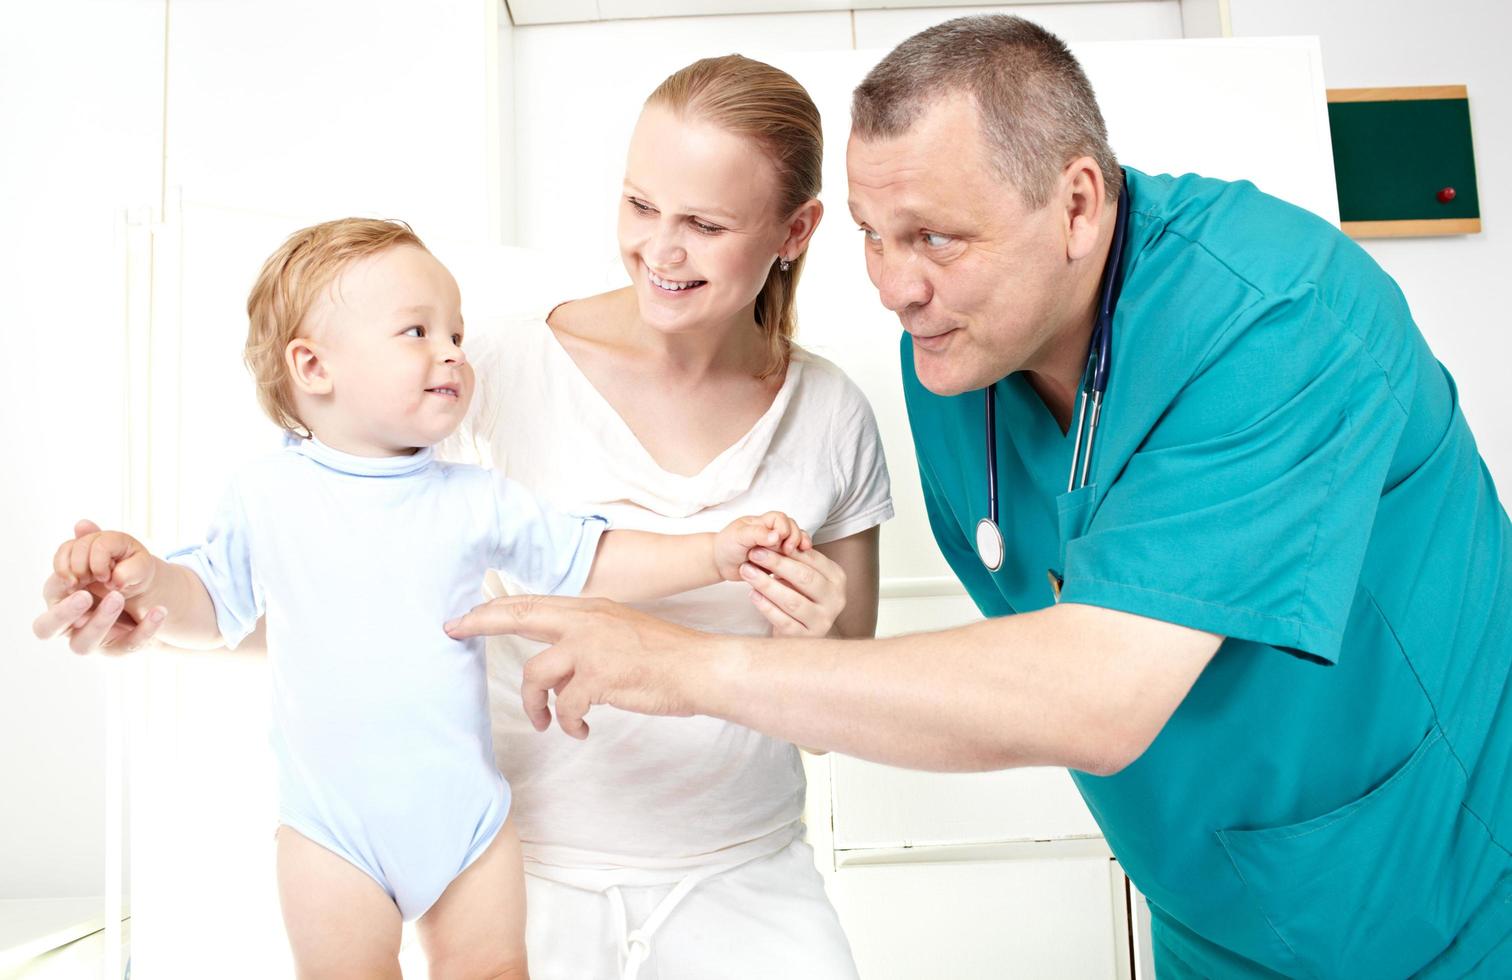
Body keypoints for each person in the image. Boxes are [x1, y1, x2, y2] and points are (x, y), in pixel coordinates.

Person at [441, 16, 1512, 979]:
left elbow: (1093, 688)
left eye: (936, 237)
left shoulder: (1278, 318)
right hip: (1208, 907)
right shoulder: (953, 355)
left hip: (1441, 900)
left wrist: (680, 662)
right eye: (872, 232)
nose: (895, 285)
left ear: (1078, 203)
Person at [38, 217, 811, 979]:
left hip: (468, 824)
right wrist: (144, 576)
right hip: (331, 835)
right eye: (417, 332)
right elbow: (212, 603)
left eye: (456, 334)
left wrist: (712, 552)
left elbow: (589, 558)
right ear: (313, 367)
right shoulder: (266, 495)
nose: (450, 352)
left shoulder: (474, 499)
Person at [434, 55, 889, 978]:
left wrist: (813, 640)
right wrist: (177, 605)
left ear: (794, 230)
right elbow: (346, 547)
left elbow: (838, 713)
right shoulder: (495, 370)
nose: (658, 250)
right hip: (521, 885)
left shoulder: (831, 414)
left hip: (750, 883)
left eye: (704, 225)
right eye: (640, 206)